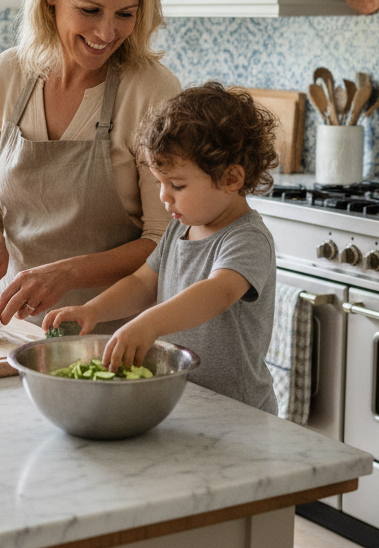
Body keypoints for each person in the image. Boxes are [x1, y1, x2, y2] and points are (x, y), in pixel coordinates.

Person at [0, 0, 181, 326]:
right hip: (14, 325)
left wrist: (67, 273)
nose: (107, 32)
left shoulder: (153, 92)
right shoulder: (9, 74)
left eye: (125, 14)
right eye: (90, 9)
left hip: (116, 335)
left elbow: (164, 241)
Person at [43, 81, 280, 415]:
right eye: (161, 183)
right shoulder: (180, 227)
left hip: (236, 411)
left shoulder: (246, 238)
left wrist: (149, 324)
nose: (164, 197)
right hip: (182, 401)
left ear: (231, 179)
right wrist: (93, 311)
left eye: (177, 185)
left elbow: (217, 291)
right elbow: (142, 283)